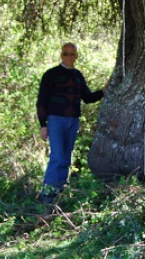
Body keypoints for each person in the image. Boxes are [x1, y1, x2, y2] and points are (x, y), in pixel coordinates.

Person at [36, 42, 107, 203]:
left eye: (72, 54)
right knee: (57, 156)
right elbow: (41, 102)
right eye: (66, 53)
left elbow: (87, 98)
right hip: (55, 120)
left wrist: (103, 91)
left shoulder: (78, 76)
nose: (69, 57)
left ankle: (59, 192)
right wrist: (43, 125)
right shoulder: (51, 74)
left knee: (66, 158)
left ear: (76, 56)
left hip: (73, 121)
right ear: (61, 55)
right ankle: (48, 195)